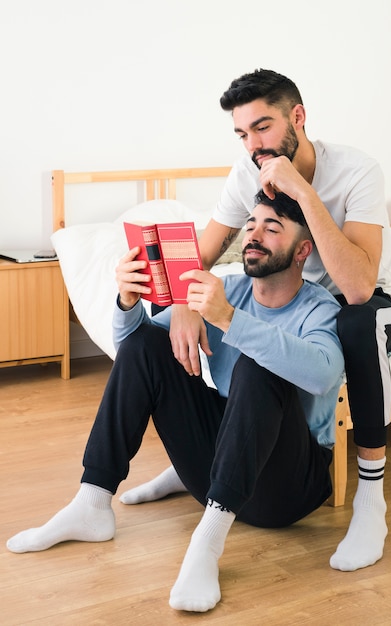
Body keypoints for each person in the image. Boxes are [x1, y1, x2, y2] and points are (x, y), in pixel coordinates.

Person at [7, 192, 344, 613]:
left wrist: (229, 320)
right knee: (145, 343)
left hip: (286, 489)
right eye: (252, 224)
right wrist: (127, 303)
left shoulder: (319, 307)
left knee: (261, 367)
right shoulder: (226, 288)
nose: (254, 235)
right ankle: (92, 503)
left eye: (272, 228)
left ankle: (207, 543)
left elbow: (324, 374)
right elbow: (134, 354)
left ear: (303, 250)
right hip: (220, 464)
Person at [163, 69, 391, 572]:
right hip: (300, 299)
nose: (253, 145)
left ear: (297, 117)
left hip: (369, 300)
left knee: (355, 324)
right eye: (242, 134)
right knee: (260, 340)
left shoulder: (359, 171)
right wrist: (184, 305)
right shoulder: (244, 174)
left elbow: (360, 288)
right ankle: (203, 456)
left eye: (264, 127)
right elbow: (199, 257)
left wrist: (303, 193)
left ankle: (371, 499)